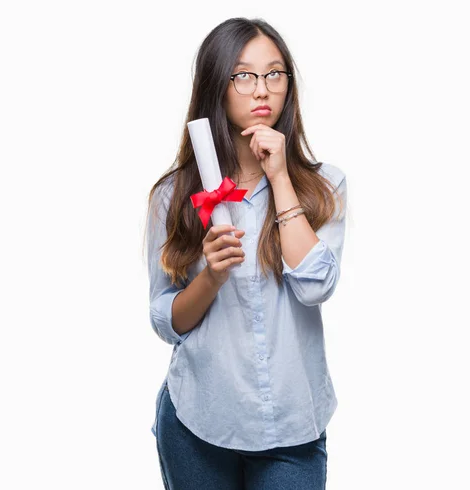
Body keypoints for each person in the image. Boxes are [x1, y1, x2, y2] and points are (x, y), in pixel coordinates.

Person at [143, 17, 347, 490]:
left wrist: (279, 178)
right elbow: (165, 321)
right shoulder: (174, 197)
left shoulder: (323, 186)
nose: (262, 90)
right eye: (244, 75)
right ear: (218, 85)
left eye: (275, 74)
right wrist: (210, 277)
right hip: (199, 419)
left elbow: (316, 286)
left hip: (292, 426)